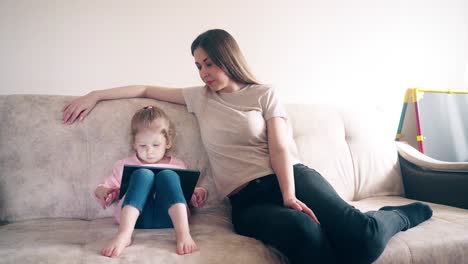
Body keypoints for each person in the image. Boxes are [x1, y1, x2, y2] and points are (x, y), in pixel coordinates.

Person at [63, 29, 432, 263]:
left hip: (292, 179)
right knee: (308, 236)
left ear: (228, 58)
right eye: (198, 65)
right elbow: (144, 90)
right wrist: (95, 94)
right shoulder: (198, 97)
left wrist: (288, 194)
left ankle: (398, 215)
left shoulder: (264, 94)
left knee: (363, 241)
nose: (204, 72)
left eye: (209, 62)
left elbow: (281, 148)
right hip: (247, 200)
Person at [93, 105, 208, 257]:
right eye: (142, 145)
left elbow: (185, 191)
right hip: (136, 220)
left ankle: (183, 234)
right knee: (143, 174)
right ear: (134, 144)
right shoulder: (123, 165)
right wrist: (103, 190)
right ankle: (124, 235)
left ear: (167, 142)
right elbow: (107, 186)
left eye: (156, 145)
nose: (149, 151)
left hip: (170, 218)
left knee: (168, 175)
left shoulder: (178, 165)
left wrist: (197, 193)